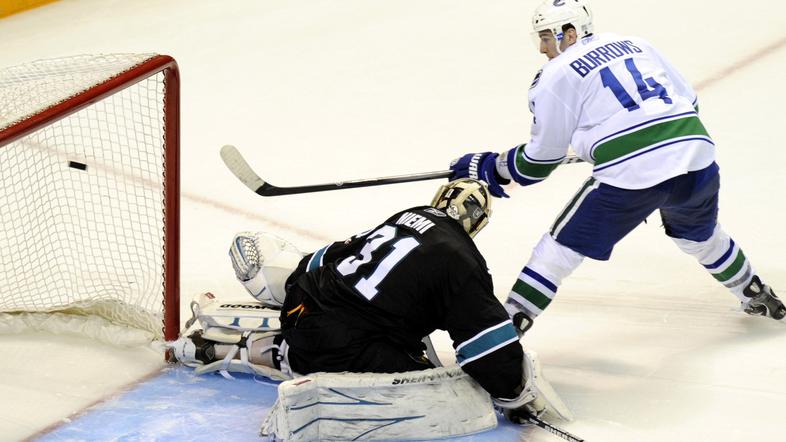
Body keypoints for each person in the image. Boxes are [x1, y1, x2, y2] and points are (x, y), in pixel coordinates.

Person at [448, 0, 784, 336]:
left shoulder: (556, 74)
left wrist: (491, 167)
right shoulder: (635, 43)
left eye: (547, 38)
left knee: (558, 249)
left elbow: (539, 162)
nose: (542, 48)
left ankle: (503, 333)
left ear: (569, 33)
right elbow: (689, 101)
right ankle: (753, 290)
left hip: (633, 175)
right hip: (696, 154)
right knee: (701, 235)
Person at [172, 178, 551, 420]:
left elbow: (327, 256)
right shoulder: (463, 260)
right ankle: (284, 357)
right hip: (343, 344)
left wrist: (296, 285)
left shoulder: (407, 216)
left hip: (301, 307)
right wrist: (514, 394)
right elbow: (488, 347)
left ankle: (232, 347)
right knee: (436, 384)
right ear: (478, 223)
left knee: (344, 326)